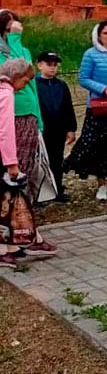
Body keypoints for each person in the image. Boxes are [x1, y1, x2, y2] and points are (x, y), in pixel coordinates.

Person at [63, 20, 107, 201]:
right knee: (99, 146)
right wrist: (104, 89)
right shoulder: (90, 54)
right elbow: (83, 78)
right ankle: (101, 184)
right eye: (106, 33)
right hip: (98, 107)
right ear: (98, 36)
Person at [0, 58, 57, 264]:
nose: (24, 87)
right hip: (6, 156)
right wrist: (11, 162)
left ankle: (12, 244)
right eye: (24, 82)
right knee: (7, 198)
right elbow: (5, 131)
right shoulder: (6, 94)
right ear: (15, 77)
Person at [0, 11, 44, 183]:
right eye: (10, 29)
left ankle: (24, 203)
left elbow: (28, 79)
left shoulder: (23, 50)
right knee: (12, 166)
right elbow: (13, 72)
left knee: (28, 164)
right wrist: (14, 39)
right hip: (11, 114)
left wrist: (38, 117)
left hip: (29, 111)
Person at [35, 51, 77, 203]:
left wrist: (71, 128)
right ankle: (39, 193)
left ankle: (57, 188)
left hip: (58, 129)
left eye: (55, 65)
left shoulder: (61, 85)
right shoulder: (34, 84)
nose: (52, 68)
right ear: (39, 65)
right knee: (39, 161)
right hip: (42, 129)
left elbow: (68, 107)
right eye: (48, 65)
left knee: (57, 160)